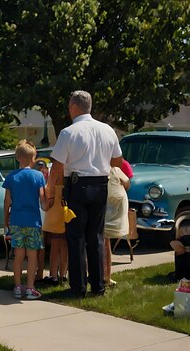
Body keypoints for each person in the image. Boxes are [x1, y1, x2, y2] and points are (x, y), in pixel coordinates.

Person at [47, 90, 123, 297]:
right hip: (101, 184)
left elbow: (57, 166)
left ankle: (78, 287)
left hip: (78, 185)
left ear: (73, 107)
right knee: (96, 236)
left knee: (76, 237)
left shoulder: (69, 132)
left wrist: (50, 190)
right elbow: (118, 161)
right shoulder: (107, 130)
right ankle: (98, 286)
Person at [3, 140, 47, 300]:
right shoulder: (38, 176)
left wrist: (6, 220)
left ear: (18, 158)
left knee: (18, 254)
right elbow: (43, 200)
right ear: (33, 157)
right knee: (32, 255)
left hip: (16, 220)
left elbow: (7, 201)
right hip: (33, 221)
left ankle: (17, 286)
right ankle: (30, 287)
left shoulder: (11, 177)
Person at [103, 167, 130, 287]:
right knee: (104, 244)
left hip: (104, 209)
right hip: (110, 209)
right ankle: (105, 276)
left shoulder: (111, 168)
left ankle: (105, 276)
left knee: (103, 243)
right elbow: (127, 183)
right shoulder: (114, 169)